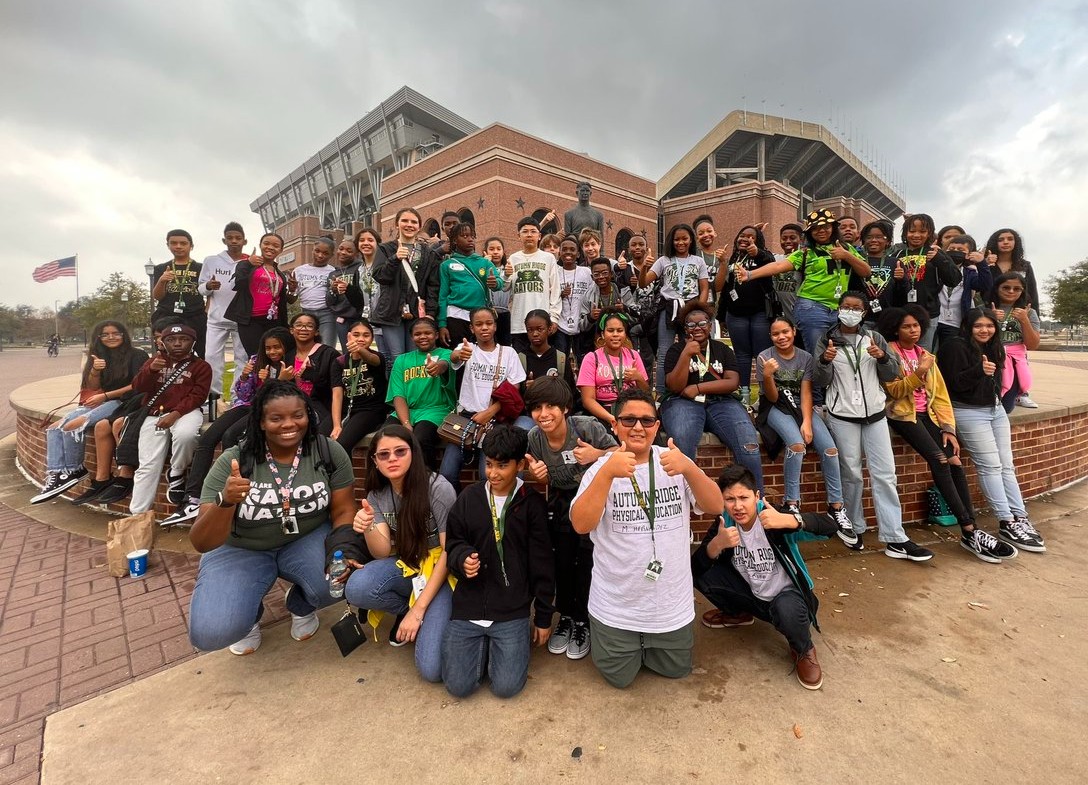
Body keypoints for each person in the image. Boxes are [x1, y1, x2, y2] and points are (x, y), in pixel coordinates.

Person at [188, 381, 354, 655]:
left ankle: (301, 602)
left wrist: (342, 548)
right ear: (262, 422)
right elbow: (201, 541)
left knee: (341, 582)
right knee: (211, 633)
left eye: (297, 415)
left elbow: (343, 509)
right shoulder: (235, 461)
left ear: (308, 416)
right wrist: (226, 500)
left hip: (305, 538)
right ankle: (248, 612)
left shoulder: (327, 451)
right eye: (276, 418)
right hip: (242, 547)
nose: (289, 424)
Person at [570, 389, 722, 688]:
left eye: (646, 420)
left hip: (669, 605)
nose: (638, 427)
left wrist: (690, 467)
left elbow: (715, 507)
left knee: (676, 670)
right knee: (619, 678)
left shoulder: (674, 462)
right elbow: (581, 525)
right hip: (616, 605)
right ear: (615, 425)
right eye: (629, 420)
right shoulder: (601, 469)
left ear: (656, 425)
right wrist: (606, 474)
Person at [878, 306, 1015, 563]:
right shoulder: (889, 353)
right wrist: (919, 372)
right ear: (896, 328)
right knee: (939, 460)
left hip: (928, 416)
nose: (913, 330)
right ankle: (969, 528)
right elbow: (894, 392)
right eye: (907, 326)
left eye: (917, 325)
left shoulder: (926, 354)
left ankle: (970, 531)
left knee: (954, 461)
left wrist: (948, 428)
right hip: (903, 415)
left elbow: (940, 396)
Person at [693, 465, 841, 690]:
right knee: (703, 574)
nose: (738, 506)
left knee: (787, 609)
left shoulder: (772, 516)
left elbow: (830, 527)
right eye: (730, 499)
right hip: (753, 596)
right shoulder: (725, 521)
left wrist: (790, 521)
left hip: (787, 597)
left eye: (744, 497)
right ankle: (738, 614)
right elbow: (696, 568)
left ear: (757, 496)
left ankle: (803, 648)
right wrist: (717, 544)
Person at [812, 292, 933, 560]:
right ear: (838, 309)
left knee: (885, 475)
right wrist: (824, 360)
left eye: (856, 308)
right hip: (842, 415)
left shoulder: (875, 338)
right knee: (852, 474)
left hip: (876, 414)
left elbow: (891, 374)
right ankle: (854, 526)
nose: (850, 311)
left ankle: (895, 537)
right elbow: (819, 380)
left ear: (864, 313)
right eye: (846, 307)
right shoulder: (826, 339)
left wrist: (882, 358)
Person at [443, 425, 556, 698]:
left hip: (511, 611)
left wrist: (542, 617)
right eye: (489, 464)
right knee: (458, 686)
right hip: (468, 607)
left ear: (519, 465)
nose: (493, 473)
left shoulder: (532, 505)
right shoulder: (469, 498)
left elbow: (543, 565)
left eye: (502, 466)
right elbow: (454, 543)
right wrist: (461, 560)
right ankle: (483, 651)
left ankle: (494, 651)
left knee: (506, 687)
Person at [337, 426, 456, 680]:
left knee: (432, 669)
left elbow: (449, 552)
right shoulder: (377, 494)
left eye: (400, 452)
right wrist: (368, 524)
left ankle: (429, 613)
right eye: (384, 455)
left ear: (413, 453)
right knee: (358, 587)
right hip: (409, 565)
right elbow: (380, 552)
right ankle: (407, 609)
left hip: (442, 572)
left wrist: (419, 610)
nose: (392, 459)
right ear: (375, 461)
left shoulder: (438, 488)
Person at [160, 327, 294, 528]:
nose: (272, 352)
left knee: (231, 436)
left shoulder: (291, 365)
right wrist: (245, 377)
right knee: (207, 439)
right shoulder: (258, 360)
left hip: (266, 409)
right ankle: (192, 499)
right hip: (247, 406)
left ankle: (230, 494)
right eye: (268, 348)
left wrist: (277, 381)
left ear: (285, 347)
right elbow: (243, 395)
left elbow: (280, 398)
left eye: (277, 347)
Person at [523, 376, 617, 660]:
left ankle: (584, 620)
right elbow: (528, 471)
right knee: (561, 561)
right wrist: (533, 476)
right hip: (561, 502)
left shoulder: (585, 426)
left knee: (588, 560)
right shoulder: (534, 438)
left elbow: (619, 453)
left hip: (592, 498)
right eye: (537, 408)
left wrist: (596, 454)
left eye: (551, 406)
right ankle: (566, 616)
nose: (543, 414)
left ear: (565, 407)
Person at [937, 309, 1044, 553]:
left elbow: (997, 380)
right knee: (990, 466)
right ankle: (1005, 520)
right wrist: (979, 371)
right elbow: (951, 384)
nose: (985, 330)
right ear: (968, 326)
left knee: (1007, 465)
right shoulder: (954, 346)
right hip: (968, 411)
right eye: (979, 326)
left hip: (995, 410)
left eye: (989, 326)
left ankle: (1020, 516)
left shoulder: (994, 346)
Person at [738, 210, 871, 379]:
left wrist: (846, 255)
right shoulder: (806, 252)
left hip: (840, 309)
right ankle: (816, 402)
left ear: (832, 227)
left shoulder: (846, 248)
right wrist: (750, 274)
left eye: (825, 226)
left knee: (840, 355)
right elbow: (779, 266)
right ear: (809, 233)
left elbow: (866, 271)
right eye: (815, 228)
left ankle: (833, 398)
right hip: (812, 307)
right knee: (818, 355)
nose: (821, 230)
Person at [754, 316, 852, 538]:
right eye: (776, 334)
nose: (781, 337)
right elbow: (771, 396)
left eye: (785, 332)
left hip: (801, 407)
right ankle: (791, 503)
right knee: (797, 445)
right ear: (770, 336)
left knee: (830, 450)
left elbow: (807, 392)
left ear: (794, 331)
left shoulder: (805, 357)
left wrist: (807, 421)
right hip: (775, 408)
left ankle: (836, 507)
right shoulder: (764, 357)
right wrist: (768, 375)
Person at [32, 321, 148, 504]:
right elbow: (92, 387)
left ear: (124, 335)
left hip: (124, 401)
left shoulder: (137, 355)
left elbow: (138, 385)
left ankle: (74, 469)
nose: (111, 337)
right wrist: (95, 369)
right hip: (105, 400)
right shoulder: (98, 356)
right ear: (99, 338)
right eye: (105, 334)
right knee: (54, 428)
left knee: (74, 426)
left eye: (115, 333)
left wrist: (105, 396)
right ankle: (56, 473)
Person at [659, 301, 764, 487]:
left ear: (710, 325)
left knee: (749, 444)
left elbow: (732, 382)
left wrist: (699, 388)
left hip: (721, 402)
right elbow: (675, 386)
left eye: (702, 323)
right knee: (682, 443)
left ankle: (754, 504)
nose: (697, 328)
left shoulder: (722, 349)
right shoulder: (675, 351)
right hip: (682, 402)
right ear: (685, 328)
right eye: (691, 324)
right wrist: (685, 354)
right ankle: (684, 503)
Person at [440, 307, 531, 488]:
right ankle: (458, 512)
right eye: (479, 324)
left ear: (495, 326)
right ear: (472, 328)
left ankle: (488, 513)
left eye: (489, 323)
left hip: (495, 421)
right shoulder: (467, 348)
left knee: (486, 475)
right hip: (466, 419)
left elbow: (514, 389)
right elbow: (454, 358)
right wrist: (458, 355)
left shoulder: (508, 353)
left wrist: (490, 412)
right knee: (447, 473)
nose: (484, 328)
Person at [129, 324, 212, 515]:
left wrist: (175, 414)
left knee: (186, 435)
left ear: (193, 342)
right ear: (163, 342)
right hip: (154, 415)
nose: (177, 343)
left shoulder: (201, 366)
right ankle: (138, 515)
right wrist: (150, 371)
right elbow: (138, 388)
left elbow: (197, 396)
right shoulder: (154, 361)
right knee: (148, 464)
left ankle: (176, 472)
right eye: (171, 340)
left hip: (185, 412)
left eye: (183, 339)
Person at [638, 223, 709, 395]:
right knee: (664, 352)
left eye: (684, 239)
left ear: (691, 240)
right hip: (669, 308)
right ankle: (662, 393)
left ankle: (690, 387)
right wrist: (645, 267)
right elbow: (643, 283)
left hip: (691, 309)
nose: (681, 243)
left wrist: (700, 310)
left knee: (692, 348)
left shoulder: (698, 261)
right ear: (671, 241)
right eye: (677, 239)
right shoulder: (664, 260)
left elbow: (704, 288)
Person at [714, 225, 776, 404]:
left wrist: (758, 252)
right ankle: (745, 392)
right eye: (742, 236)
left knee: (762, 353)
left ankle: (764, 393)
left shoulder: (764, 256)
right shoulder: (733, 257)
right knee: (741, 354)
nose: (745, 239)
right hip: (736, 314)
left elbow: (771, 262)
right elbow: (726, 289)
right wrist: (721, 316)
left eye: (751, 237)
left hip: (759, 313)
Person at [386, 317, 455, 470]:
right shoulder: (402, 360)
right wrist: (406, 423)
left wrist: (438, 367)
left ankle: (427, 481)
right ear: (412, 337)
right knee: (385, 437)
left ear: (436, 335)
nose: (423, 337)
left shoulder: (446, 353)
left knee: (421, 438)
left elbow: (445, 363)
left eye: (428, 333)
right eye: (418, 334)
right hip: (406, 411)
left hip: (435, 410)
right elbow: (398, 395)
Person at [374, 208, 442, 358]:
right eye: (405, 221)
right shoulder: (385, 249)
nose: (409, 225)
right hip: (391, 311)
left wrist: (430, 313)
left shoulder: (428, 253)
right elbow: (380, 276)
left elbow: (433, 286)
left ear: (419, 226)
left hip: (417, 312)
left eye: (414, 222)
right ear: (397, 224)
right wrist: (394, 259)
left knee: (415, 356)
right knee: (396, 357)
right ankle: (395, 383)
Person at [888, 213, 961, 350]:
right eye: (912, 231)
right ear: (905, 232)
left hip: (928, 314)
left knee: (923, 354)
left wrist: (939, 259)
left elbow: (954, 280)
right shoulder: (896, 255)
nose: (916, 235)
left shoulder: (935, 253)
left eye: (922, 231)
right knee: (899, 353)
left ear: (929, 233)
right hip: (900, 312)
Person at [225, 232, 298, 356]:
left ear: (280, 250)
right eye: (266, 243)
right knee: (256, 356)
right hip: (251, 320)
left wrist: (292, 289)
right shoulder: (246, 264)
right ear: (260, 245)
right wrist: (248, 263)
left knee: (275, 355)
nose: (270, 247)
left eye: (275, 245)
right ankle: (256, 376)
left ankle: (273, 376)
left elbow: (288, 300)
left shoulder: (279, 273)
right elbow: (235, 284)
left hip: (274, 320)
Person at [198, 221, 249, 400]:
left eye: (238, 238)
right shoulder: (211, 261)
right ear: (224, 240)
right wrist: (209, 286)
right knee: (211, 359)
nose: (234, 241)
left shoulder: (250, 261)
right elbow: (201, 289)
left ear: (245, 241)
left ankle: (238, 397)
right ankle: (214, 399)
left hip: (241, 319)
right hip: (216, 319)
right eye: (230, 238)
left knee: (242, 361)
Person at [438, 222, 503, 349]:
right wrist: (442, 325)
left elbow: (499, 283)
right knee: (459, 356)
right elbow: (443, 296)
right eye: (465, 236)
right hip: (455, 316)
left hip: (480, 316)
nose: (470, 239)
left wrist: (495, 283)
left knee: (482, 355)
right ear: (455, 240)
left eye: (472, 236)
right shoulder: (446, 265)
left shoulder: (485, 262)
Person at [577, 313, 649, 428]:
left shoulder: (633, 355)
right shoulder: (591, 358)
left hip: (631, 409)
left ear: (625, 334)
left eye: (620, 330)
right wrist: (610, 418)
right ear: (603, 334)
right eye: (610, 330)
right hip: (603, 412)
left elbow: (646, 393)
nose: (615, 334)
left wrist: (638, 378)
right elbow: (588, 400)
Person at [503, 217, 562, 354]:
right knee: (521, 364)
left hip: (542, 323)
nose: (529, 235)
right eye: (525, 231)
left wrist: (553, 318)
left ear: (539, 236)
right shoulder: (513, 258)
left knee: (542, 363)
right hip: (519, 323)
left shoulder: (548, 258)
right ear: (519, 235)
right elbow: (505, 287)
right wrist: (506, 275)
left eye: (533, 231)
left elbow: (555, 290)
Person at [989, 272, 1041, 412]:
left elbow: (1033, 345)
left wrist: (1024, 320)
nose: (1011, 291)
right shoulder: (985, 309)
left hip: (1013, 362)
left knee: (1006, 407)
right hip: (989, 360)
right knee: (988, 403)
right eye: (1006, 287)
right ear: (997, 288)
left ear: (1022, 291)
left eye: (1017, 288)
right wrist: (989, 318)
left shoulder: (1029, 312)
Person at [335, 318, 388, 452]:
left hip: (371, 410)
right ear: (348, 336)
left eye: (366, 335)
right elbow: (337, 394)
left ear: (372, 338)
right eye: (356, 334)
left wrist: (360, 350)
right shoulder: (340, 362)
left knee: (341, 445)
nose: (361, 338)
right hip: (347, 410)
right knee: (319, 436)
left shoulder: (377, 356)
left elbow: (373, 360)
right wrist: (336, 425)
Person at [152, 229, 207, 358]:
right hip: (167, 315)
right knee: (164, 354)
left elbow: (209, 291)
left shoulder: (202, 267)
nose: (178, 246)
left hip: (195, 315)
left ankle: (198, 377)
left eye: (183, 243)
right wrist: (162, 280)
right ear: (168, 245)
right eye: (174, 243)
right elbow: (157, 296)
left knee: (202, 352)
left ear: (191, 245)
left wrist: (207, 311)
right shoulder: (161, 268)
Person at [287, 312, 341, 437]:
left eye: (309, 326)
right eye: (299, 325)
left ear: (316, 332)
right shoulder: (288, 356)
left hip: (320, 408)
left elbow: (335, 388)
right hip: (292, 406)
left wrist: (311, 374)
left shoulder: (328, 354)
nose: (303, 329)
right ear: (291, 330)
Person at [935, 235, 991, 349]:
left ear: (969, 254)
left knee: (950, 355)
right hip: (935, 320)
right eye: (951, 249)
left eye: (960, 250)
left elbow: (985, 285)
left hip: (956, 322)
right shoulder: (936, 269)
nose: (955, 252)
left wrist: (982, 264)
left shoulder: (969, 273)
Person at [343, 228, 389, 369]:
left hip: (385, 319)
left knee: (388, 357)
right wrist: (348, 289)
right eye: (362, 240)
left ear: (378, 244)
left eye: (370, 240)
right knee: (373, 359)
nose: (366, 243)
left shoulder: (386, 266)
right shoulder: (360, 270)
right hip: (368, 322)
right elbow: (359, 302)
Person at [579, 257, 635, 356]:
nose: (601, 277)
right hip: (597, 340)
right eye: (596, 274)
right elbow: (582, 326)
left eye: (605, 273)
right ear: (592, 277)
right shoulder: (587, 295)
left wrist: (624, 309)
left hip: (621, 338)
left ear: (611, 274)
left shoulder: (623, 291)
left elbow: (636, 317)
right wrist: (590, 317)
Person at [518, 310, 578, 404]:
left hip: (555, 411)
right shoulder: (520, 359)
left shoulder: (560, 358)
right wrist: (525, 388)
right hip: (529, 413)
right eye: (530, 330)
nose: (535, 334)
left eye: (540, 329)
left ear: (549, 329)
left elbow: (570, 392)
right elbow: (516, 395)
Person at [984, 228, 1041, 323]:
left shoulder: (1025, 266)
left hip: (1018, 314)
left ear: (1016, 242)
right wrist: (983, 265)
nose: (1005, 242)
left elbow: (1032, 292)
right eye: (1000, 240)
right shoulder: (986, 265)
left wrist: (1034, 319)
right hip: (991, 313)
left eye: (1010, 239)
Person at [292, 236, 337, 347]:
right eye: (317, 251)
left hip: (327, 314)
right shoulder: (299, 271)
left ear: (332, 255)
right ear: (312, 250)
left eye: (325, 253)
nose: (320, 255)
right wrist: (292, 290)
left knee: (327, 347)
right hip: (306, 313)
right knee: (306, 347)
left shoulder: (334, 271)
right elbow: (292, 299)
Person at [555, 236, 594, 352]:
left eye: (572, 249)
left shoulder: (586, 272)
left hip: (582, 324)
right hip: (560, 326)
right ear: (560, 252)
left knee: (582, 359)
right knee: (562, 361)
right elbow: (548, 298)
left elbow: (593, 294)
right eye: (564, 249)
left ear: (578, 254)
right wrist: (560, 295)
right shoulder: (555, 273)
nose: (568, 252)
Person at [327, 237, 363, 354]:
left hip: (359, 318)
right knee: (346, 352)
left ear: (356, 254)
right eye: (341, 249)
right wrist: (332, 291)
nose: (343, 252)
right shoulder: (333, 274)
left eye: (349, 250)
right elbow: (329, 301)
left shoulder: (360, 269)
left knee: (361, 351)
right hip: (342, 319)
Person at [857, 220, 897, 323]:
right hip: (861, 319)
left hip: (886, 319)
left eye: (879, 237)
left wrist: (902, 280)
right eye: (869, 237)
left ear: (888, 241)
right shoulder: (857, 261)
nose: (873, 240)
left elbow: (902, 293)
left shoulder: (895, 262)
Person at [771, 223, 804, 328]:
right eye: (784, 238)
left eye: (792, 238)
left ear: (801, 239)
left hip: (800, 317)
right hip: (779, 316)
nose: (788, 241)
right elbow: (760, 254)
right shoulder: (775, 258)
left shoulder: (806, 258)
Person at [483, 236, 513, 345]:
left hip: (505, 313)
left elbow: (507, 288)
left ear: (503, 252)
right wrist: (484, 264)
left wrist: (507, 275)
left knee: (505, 345)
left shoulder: (508, 269)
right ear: (485, 252)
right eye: (492, 249)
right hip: (487, 312)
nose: (495, 252)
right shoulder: (482, 269)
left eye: (498, 249)